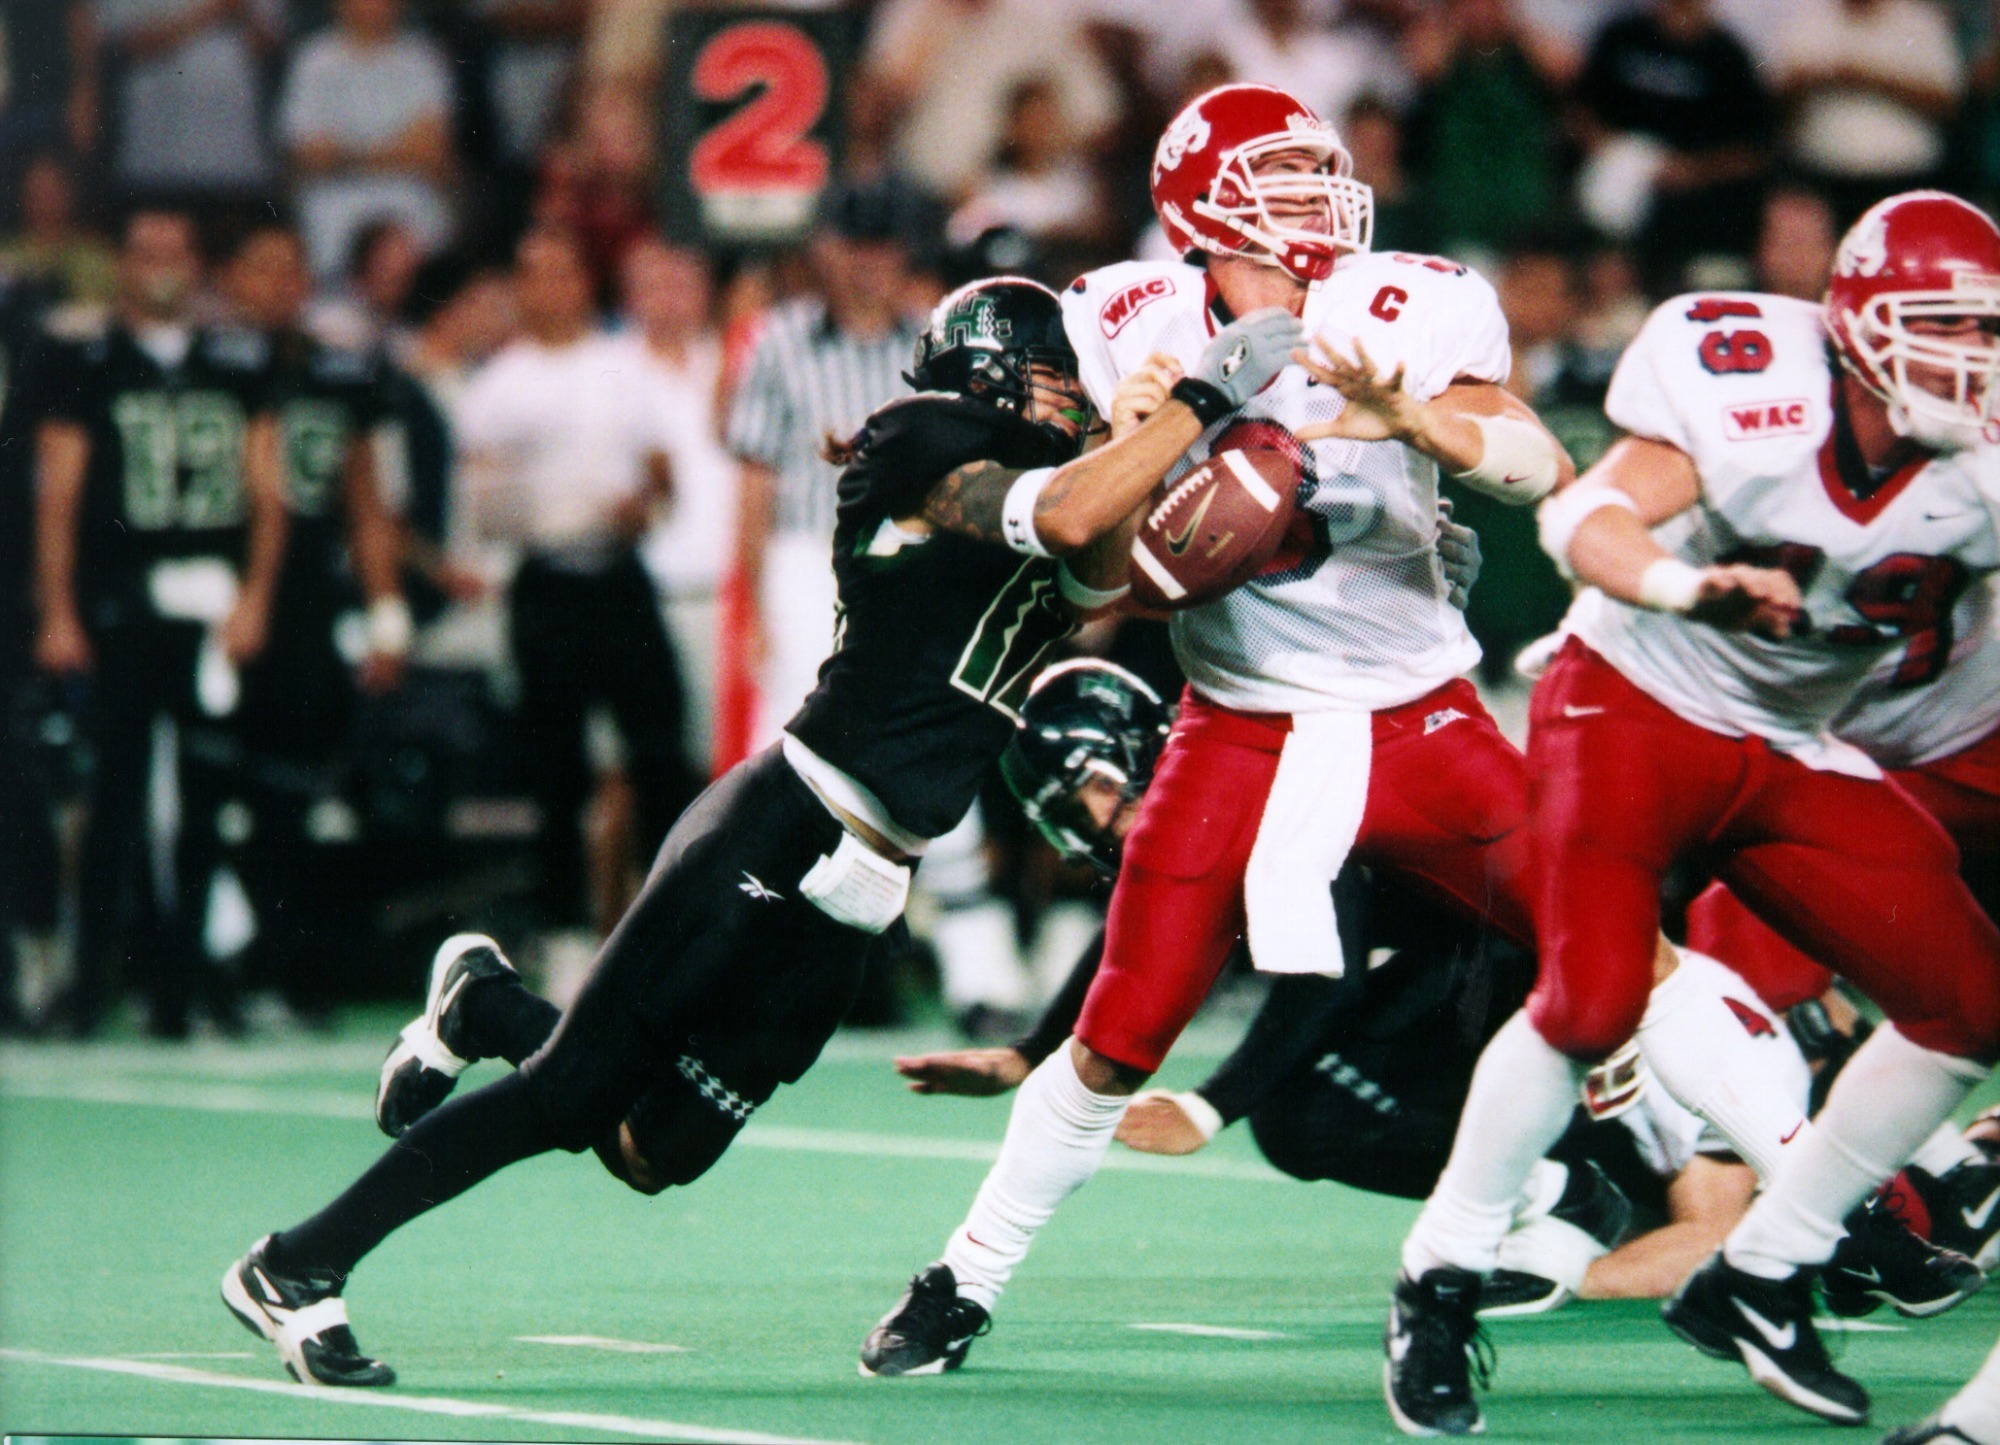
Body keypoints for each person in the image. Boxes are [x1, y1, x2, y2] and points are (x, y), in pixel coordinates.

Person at [216, 275, 1305, 1387]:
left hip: (872, 882)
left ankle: (486, 1001)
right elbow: (1069, 515)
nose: (1077, 394)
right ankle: (295, 1264)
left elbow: (1111, 569)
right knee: (570, 1093)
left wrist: (1237, 485)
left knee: (653, 1150)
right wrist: (1193, 405)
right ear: (990, 366)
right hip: (785, 819)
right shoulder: (920, 436)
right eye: (1057, 373)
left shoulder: (1046, 468)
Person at [859, 80, 1580, 1381]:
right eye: (1282, 175)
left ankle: (1792, 1229)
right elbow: (1097, 544)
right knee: (1119, 1029)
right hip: (1237, 723)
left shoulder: (1410, 296)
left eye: (1321, 168)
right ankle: (962, 1278)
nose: (1317, 194)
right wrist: (1146, 431)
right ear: (1196, 203)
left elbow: (1533, 456)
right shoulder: (1119, 311)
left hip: (1423, 714)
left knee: (1607, 963)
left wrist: (1425, 426)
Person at [1388, 189, 2000, 1435]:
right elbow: (1579, 514)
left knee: (1964, 1004)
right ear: (1866, 322)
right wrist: (1685, 586)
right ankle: (1438, 1275)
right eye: (1946, 326)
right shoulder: (1753, 376)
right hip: (1632, 694)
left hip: (1788, 742)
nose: (1973, 358)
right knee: (1593, 996)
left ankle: (1762, 1268)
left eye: (1989, 331)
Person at [32, 207, 287, 1037]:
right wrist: (61, 608)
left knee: (210, 797)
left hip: (210, 598)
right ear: (123, 263)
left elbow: (266, 490)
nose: (162, 267)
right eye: (146, 252)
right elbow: (59, 495)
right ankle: (95, 979)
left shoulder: (237, 359)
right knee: (114, 796)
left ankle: (189, 983)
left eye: (177, 250)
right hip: (123, 597)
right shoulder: (88, 359)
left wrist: (254, 596)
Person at [454, 226, 701, 951]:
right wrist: (539, 511)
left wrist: (636, 507)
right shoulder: (500, 384)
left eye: (562, 273)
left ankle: (667, 928)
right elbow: (484, 507)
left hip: (618, 577)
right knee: (555, 767)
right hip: (547, 583)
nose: (550, 290)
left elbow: (665, 478)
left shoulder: (623, 370)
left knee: (660, 753)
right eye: (534, 274)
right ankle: (565, 934)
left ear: (582, 284)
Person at [218, 220, 412, 1023]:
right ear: (233, 279)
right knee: (214, 790)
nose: (276, 286)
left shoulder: (337, 371)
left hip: (305, 601)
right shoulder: (204, 365)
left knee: (293, 791)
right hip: (213, 591)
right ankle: (214, 975)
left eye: (290, 270)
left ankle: (288, 968)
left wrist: (385, 610)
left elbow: (365, 504)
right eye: (259, 269)